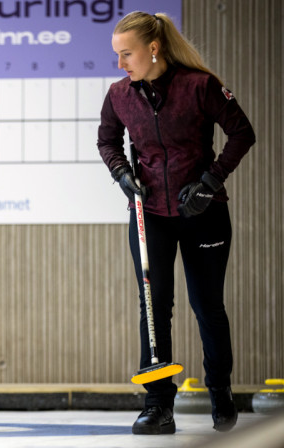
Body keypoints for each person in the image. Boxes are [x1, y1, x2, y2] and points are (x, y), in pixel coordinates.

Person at [97, 11, 255, 435]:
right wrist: (121, 174)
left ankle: (220, 393)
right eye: (117, 56)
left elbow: (242, 132)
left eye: (126, 54)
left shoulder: (199, 86)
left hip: (203, 211)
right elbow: (107, 140)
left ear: (153, 48)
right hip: (150, 217)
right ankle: (157, 405)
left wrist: (210, 181)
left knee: (207, 307)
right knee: (153, 310)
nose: (120, 64)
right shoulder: (119, 95)